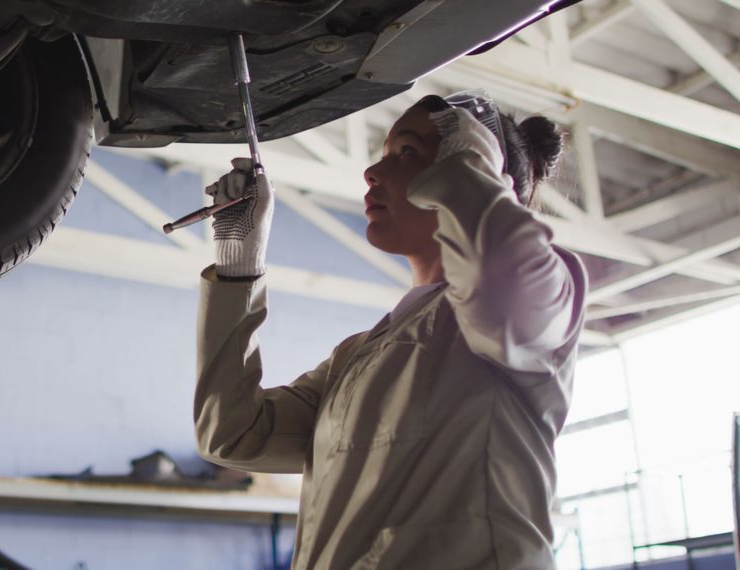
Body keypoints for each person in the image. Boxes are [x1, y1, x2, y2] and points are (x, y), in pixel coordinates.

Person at [193, 91, 587, 569]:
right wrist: (238, 265)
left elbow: (497, 288)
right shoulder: (355, 358)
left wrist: (476, 172)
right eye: (382, 155)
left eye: (407, 153)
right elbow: (235, 435)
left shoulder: (532, 299)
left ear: (475, 165)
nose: (372, 173)